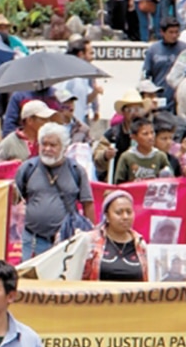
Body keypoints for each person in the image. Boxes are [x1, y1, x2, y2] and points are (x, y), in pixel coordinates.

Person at [15, 123, 95, 260]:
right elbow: (14, 200)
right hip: (32, 239)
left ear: (64, 148)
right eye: (43, 144)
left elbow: (88, 203)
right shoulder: (27, 168)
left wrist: (92, 236)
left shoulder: (76, 170)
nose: (47, 149)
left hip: (66, 240)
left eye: (52, 145)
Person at [80, 190, 149, 282]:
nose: (125, 217)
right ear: (107, 216)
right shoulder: (90, 241)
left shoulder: (141, 244)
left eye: (129, 212)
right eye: (119, 213)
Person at [142, 17, 186, 110]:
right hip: (159, 99)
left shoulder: (185, 51)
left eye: (176, 32)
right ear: (162, 32)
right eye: (171, 32)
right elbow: (146, 75)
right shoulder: (153, 50)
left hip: (178, 99)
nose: (174, 35)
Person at [114, 118, 172, 183]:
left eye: (152, 133)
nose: (150, 137)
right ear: (134, 137)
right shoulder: (126, 157)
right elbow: (119, 181)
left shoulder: (160, 156)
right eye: (145, 134)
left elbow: (170, 179)